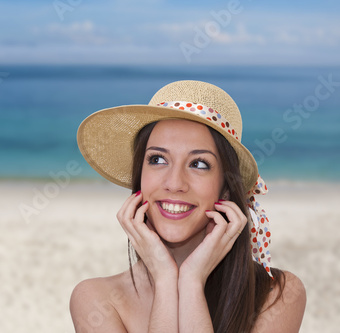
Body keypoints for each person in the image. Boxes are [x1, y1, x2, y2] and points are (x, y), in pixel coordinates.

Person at [70, 80, 306, 332]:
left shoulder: (277, 294)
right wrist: (165, 280)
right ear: (140, 177)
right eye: (158, 159)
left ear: (226, 187)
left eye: (199, 164)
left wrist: (191, 282)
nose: (174, 183)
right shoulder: (96, 300)